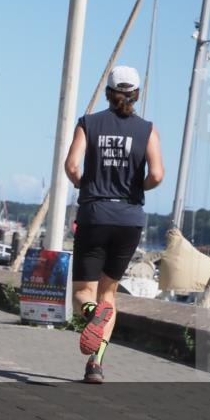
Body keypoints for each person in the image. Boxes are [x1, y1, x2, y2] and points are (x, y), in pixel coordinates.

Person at [64, 65, 164, 384]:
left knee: (83, 291)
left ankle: (93, 314)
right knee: (110, 294)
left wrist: (85, 184)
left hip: (95, 213)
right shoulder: (147, 129)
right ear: (136, 95)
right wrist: (137, 188)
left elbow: (71, 166)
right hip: (129, 219)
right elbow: (157, 175)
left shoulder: (89, 124)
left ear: (109, 92)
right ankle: (96, 364)